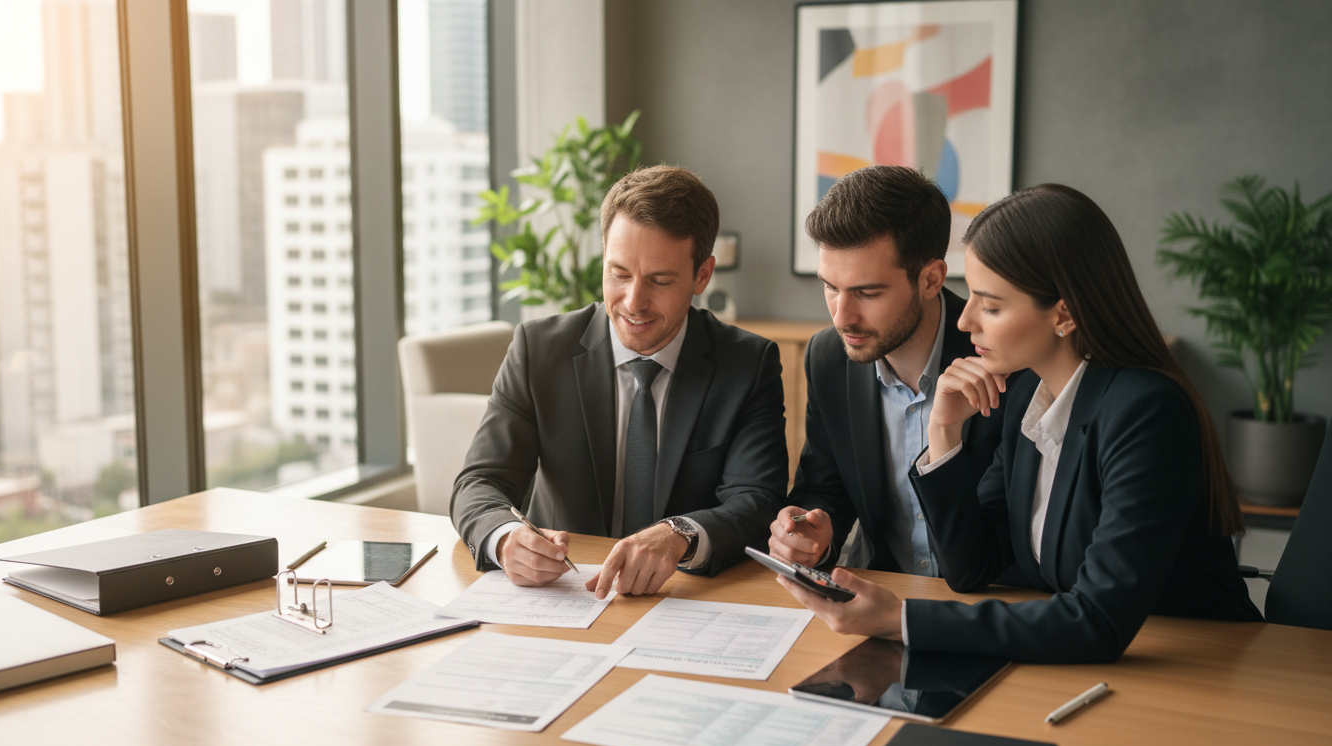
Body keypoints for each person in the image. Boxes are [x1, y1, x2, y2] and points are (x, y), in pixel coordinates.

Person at [776, 183, 1263, 663]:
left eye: (990, 305)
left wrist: (900, 619)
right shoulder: (1030, 392)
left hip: (1206, 664)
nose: (964, 321)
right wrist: (942, 435)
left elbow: (1096, 621)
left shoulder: (1147, 411)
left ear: (1063, 315)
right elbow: (971, 569)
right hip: (1090, 659)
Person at [452, 164, 787, 599]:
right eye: (619, 273)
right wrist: (505, 537)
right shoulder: (539, 350)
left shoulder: (747, 363)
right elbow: (479, 482)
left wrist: (679, 533)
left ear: (702, 275)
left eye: (660, 281)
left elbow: (756, 501)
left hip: (684, 598)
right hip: (564, 596)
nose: (633, 302)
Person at [767, 166, 1017, 576]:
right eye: (830, 286)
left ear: (931, 279)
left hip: (992, 606)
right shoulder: (828, 357)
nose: (841, 316)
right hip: (879, 592)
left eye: (867, 292)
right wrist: (812, 533)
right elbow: (826, 487)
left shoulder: (1003, 353)